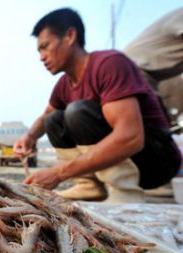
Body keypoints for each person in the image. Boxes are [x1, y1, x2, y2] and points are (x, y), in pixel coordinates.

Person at [13, 8, 181, 203]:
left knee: (77, 112)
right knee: (53, 120)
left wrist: (58, 173)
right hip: (129, 156)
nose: (41, 57)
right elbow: (45, 116)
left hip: (156, 160)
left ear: (70, 36)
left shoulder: (109, 64)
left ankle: (125, 192)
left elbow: (132, 138)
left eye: (45, 46)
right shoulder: (64, 84)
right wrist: (30, 136)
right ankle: (88, 186)